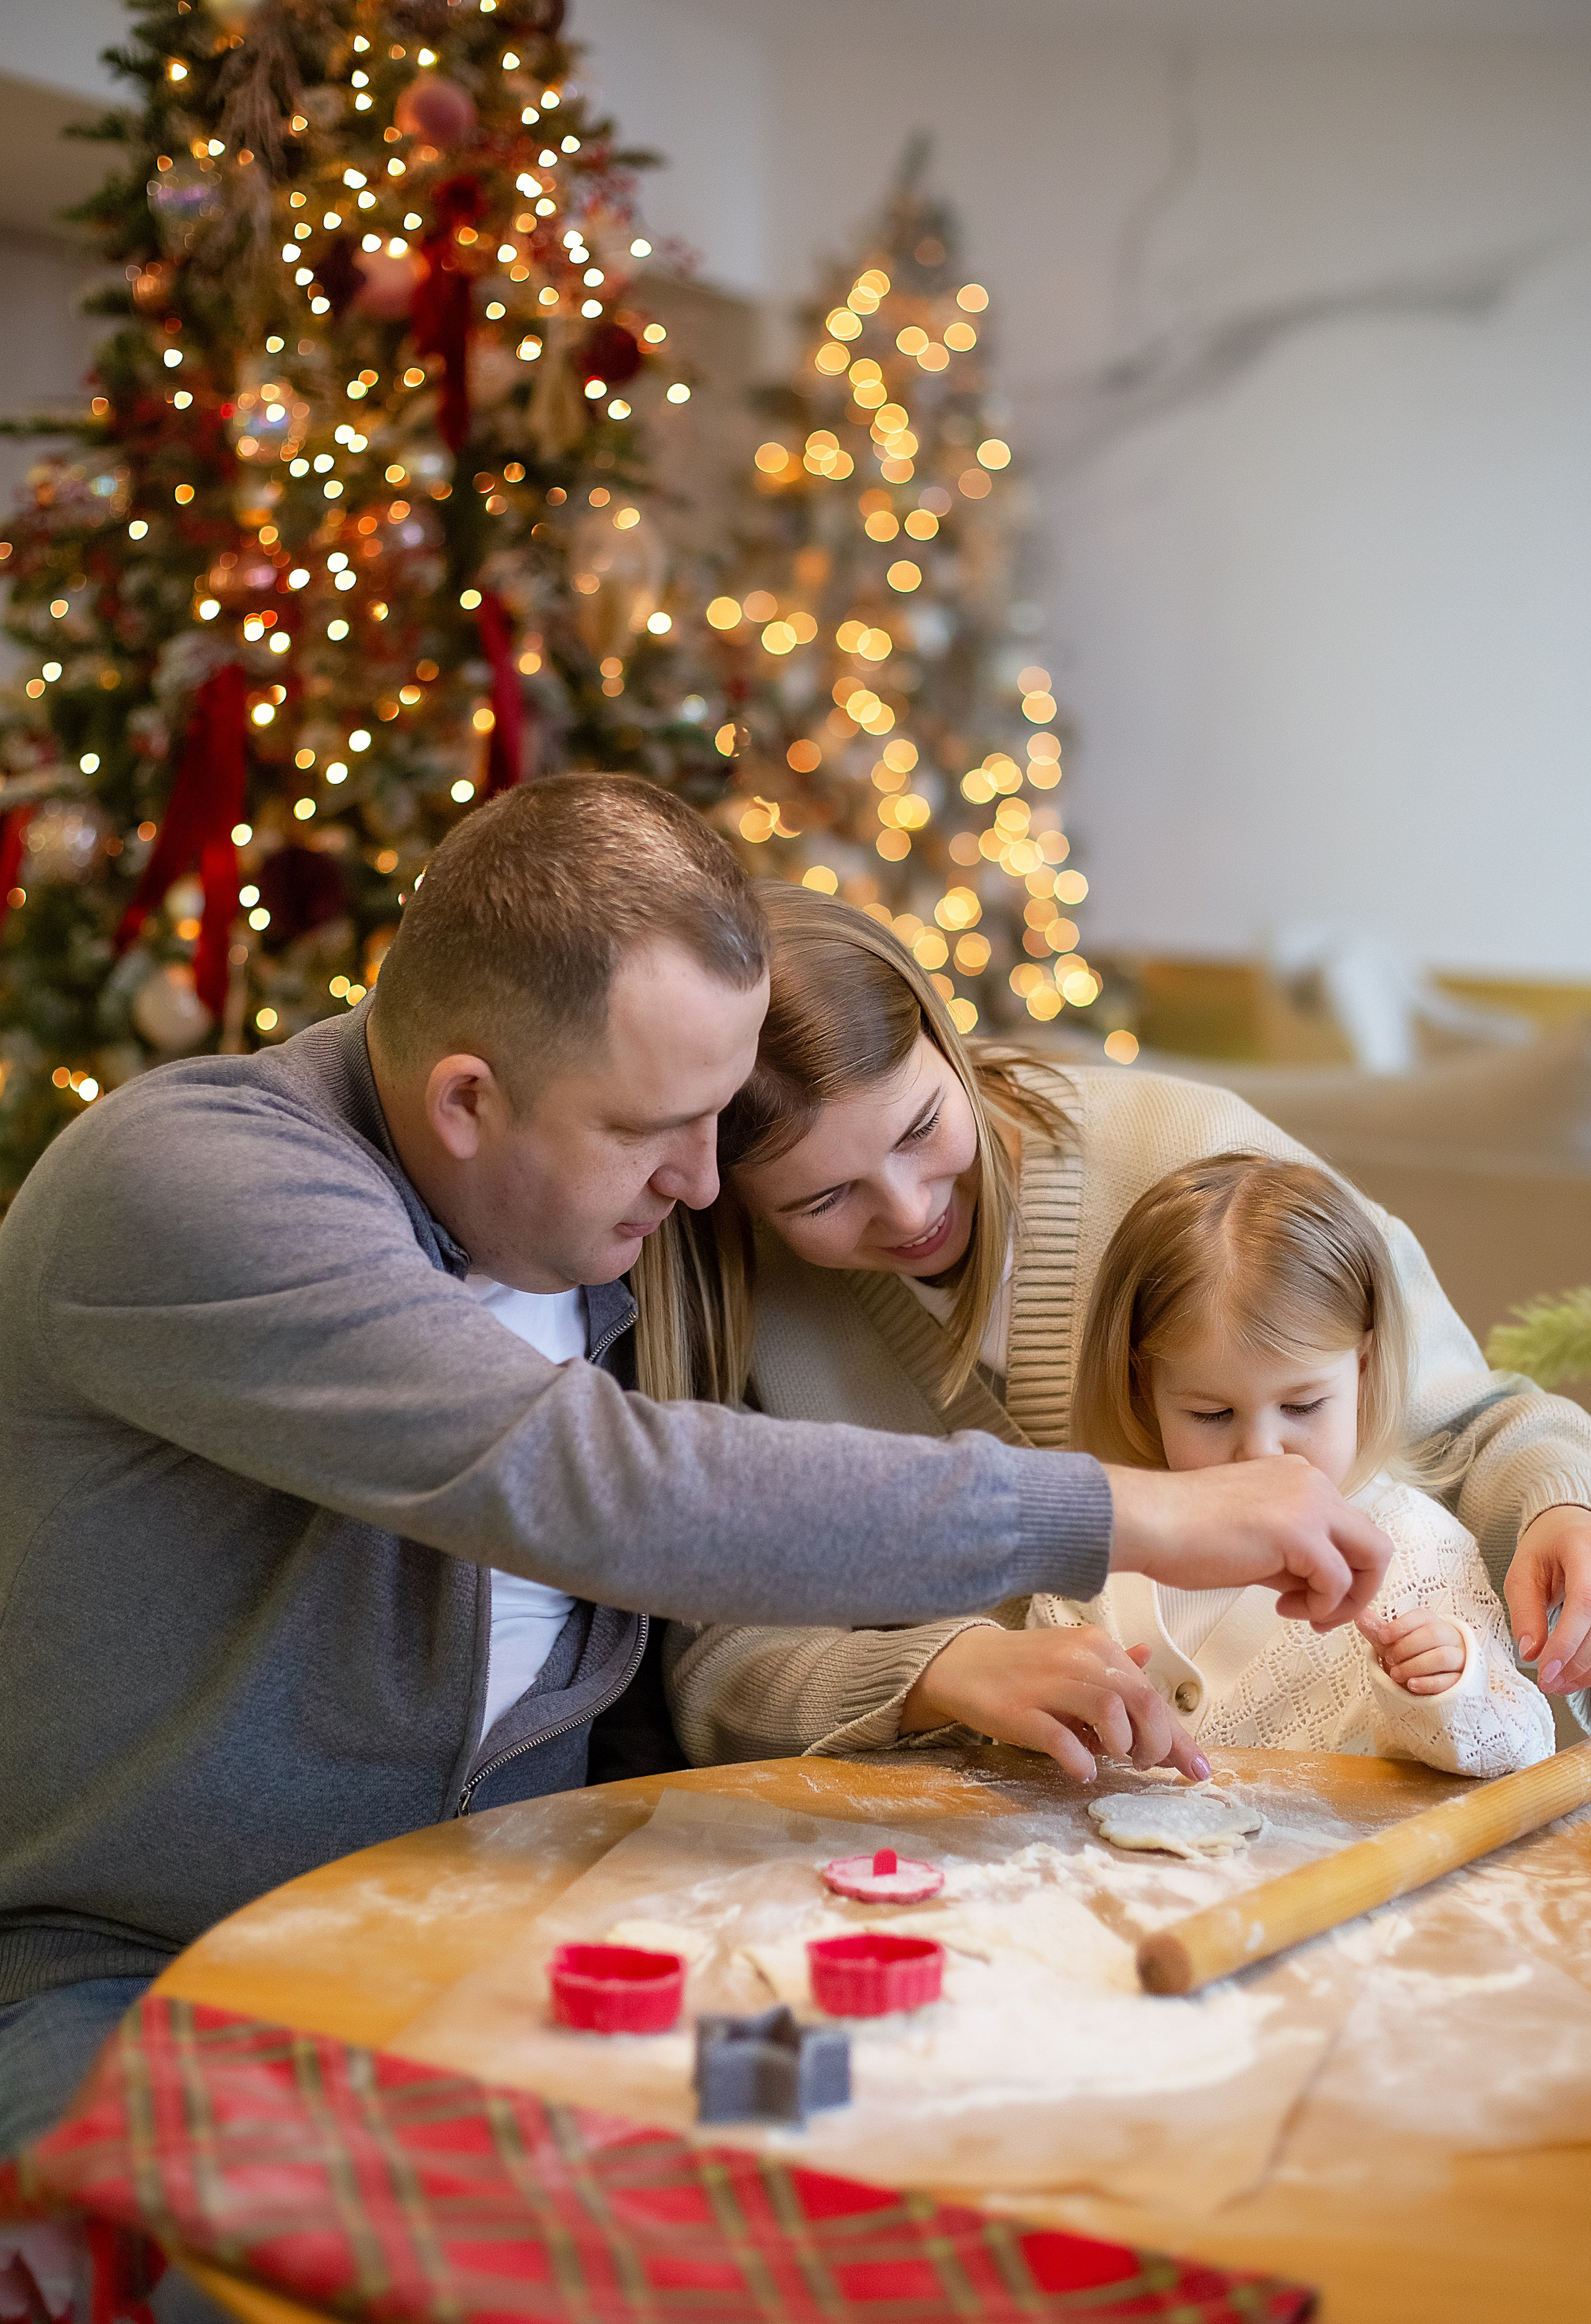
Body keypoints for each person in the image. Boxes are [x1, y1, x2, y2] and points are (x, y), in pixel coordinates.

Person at [0, 776, 1391, 2159]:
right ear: (468, 1098)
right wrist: (1124, 1509)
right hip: (158, 1966)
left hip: (529, 1940)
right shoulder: (192, 1185)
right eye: (652, 1126)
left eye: (717, 1121)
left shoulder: (602, 1233)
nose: (702, 1185)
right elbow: (605, 1487)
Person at [660, 884, 1591, 1773]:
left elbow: (1476, 1425)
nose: (908, 1212)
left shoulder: (1200, 1165)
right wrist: (940, 1675)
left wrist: (1561, 1502)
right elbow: (717, 1662)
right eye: (823, 1197)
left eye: (920, 1128)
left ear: (945, 1039)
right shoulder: (733, 1292)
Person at [1040, 1151, 1554, 1773]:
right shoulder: (1099, 1539)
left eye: (1303, 1406)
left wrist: (1452, 1682)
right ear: (1142, 1389)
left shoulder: (1416, 1550)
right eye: (1210, 1415)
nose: (1260, 1453)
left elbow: (1521, 1753)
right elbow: (1027, 1733)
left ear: (1361, 1368)